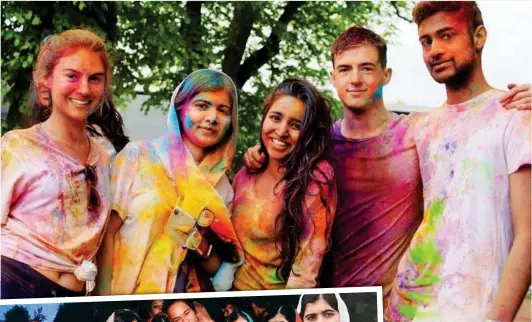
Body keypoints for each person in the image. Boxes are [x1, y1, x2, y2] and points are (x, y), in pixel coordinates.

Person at [244, 26, 531, 307]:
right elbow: (279, 165)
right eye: (345, 69)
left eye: (366, 68)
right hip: (330, 306)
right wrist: (257, 155)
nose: (355, 79)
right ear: (333, 77)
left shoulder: (419, 132)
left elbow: (475, 124)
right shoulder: (319, 145)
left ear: (386, 75)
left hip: (400, 306)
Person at [386, 2, 531, 321]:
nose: (433, 50)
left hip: (474, 308)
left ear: (479, 37)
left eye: (446, 36)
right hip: (407, 306)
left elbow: (528, 235)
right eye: (426, 41)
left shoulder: (515, 114)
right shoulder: (420, 128)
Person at [97, 69, 243, 295]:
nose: (213, 118)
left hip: (174, 310)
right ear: (180, 107)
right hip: (120, 298)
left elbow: (221, 268)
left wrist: (195, 241)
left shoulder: (221, 187)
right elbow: (107, 233)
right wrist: (102, 303)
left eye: (223, 110)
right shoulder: (138, 156)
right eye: (202, 105)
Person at [1, 29, 113, 299]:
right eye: (71, 76)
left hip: (73, 299)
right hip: (13, 286)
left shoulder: (103, 156)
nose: (84, 89)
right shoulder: (17, 147)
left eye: (95, 79)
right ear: (46, 83)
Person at [232, 79, 337, 290]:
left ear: (308, 134)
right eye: (275, 117)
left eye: (296, 125)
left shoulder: (316, 180)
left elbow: (306, 271)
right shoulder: (243, 176)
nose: (281, 131)